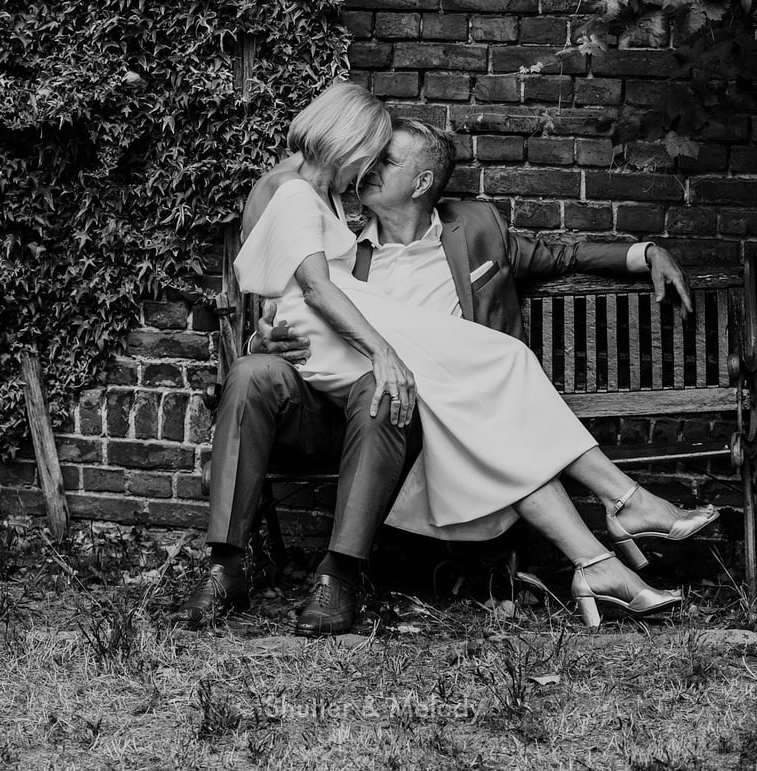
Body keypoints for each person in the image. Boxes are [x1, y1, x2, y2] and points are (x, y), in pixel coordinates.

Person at [173, 83, 716, 633]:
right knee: (504, 362)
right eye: (372, 153)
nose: (370, 170)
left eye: (386, 158)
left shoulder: (468, 229)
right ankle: (623, 509)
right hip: (361, 395)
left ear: (423, 182)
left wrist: (644, 252)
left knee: (493, 387)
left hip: (420, 411)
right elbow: (303, 289)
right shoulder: (325, 216)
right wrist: (285, 339)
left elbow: (561, 256)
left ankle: (600, 557)